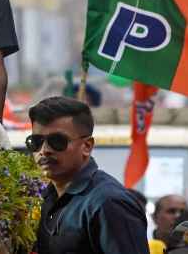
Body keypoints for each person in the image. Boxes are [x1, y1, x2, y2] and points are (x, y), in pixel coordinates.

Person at [28, 96, 148, 254]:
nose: (44, 150)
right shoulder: (42, 198)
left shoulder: (109, 202)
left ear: (87, 146)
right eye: (36, 142)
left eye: (57, 141)